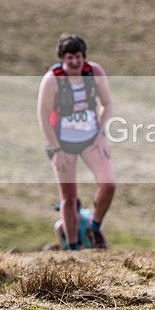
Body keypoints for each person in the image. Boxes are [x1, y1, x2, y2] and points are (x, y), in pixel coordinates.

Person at [37, 34, 116, 250]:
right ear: (62, 59)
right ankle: (72, 248)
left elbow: (107, 104)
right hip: (62, 142)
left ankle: (94, 226)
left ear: (84, 57)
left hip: (91, 139)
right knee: (69, 198)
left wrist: (101, 133)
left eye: (78, 57)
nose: (74, 62)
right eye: (69, 57)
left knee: (109, 185)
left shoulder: (94, 72)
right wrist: (57, 150)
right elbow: (43, 117)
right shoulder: (52, 79)